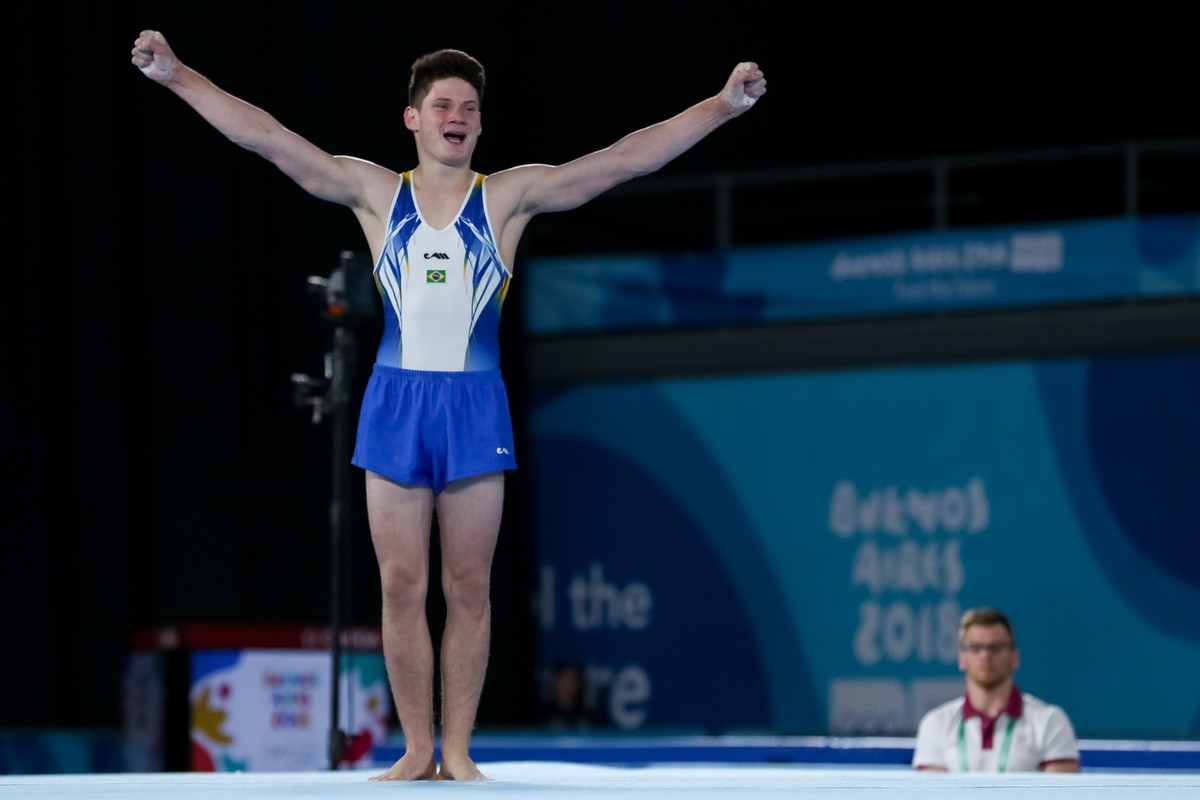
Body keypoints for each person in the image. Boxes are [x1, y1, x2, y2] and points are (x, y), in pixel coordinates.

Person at [131, 31, 765, 781]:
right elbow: (267, 137)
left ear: (480, 124)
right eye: (442, 104)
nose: (456, 115)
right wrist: (178, 78)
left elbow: (626, 158)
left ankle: (457, 750)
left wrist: (722, 108)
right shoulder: (375, 193)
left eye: (469, 106)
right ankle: (415, 748)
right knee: (401, 584)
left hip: (473, 404)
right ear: (414, 119)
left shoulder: (507, 197)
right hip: (396, 400)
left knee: (468, 585)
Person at [912, 607, 1080, 773]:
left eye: (996, 647)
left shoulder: (1049, 721)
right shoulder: (936, 724)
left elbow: (1063, 795)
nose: (985, 655)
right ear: (962, 658)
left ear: (1014, 658)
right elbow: (931, 795)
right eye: (976, 648)